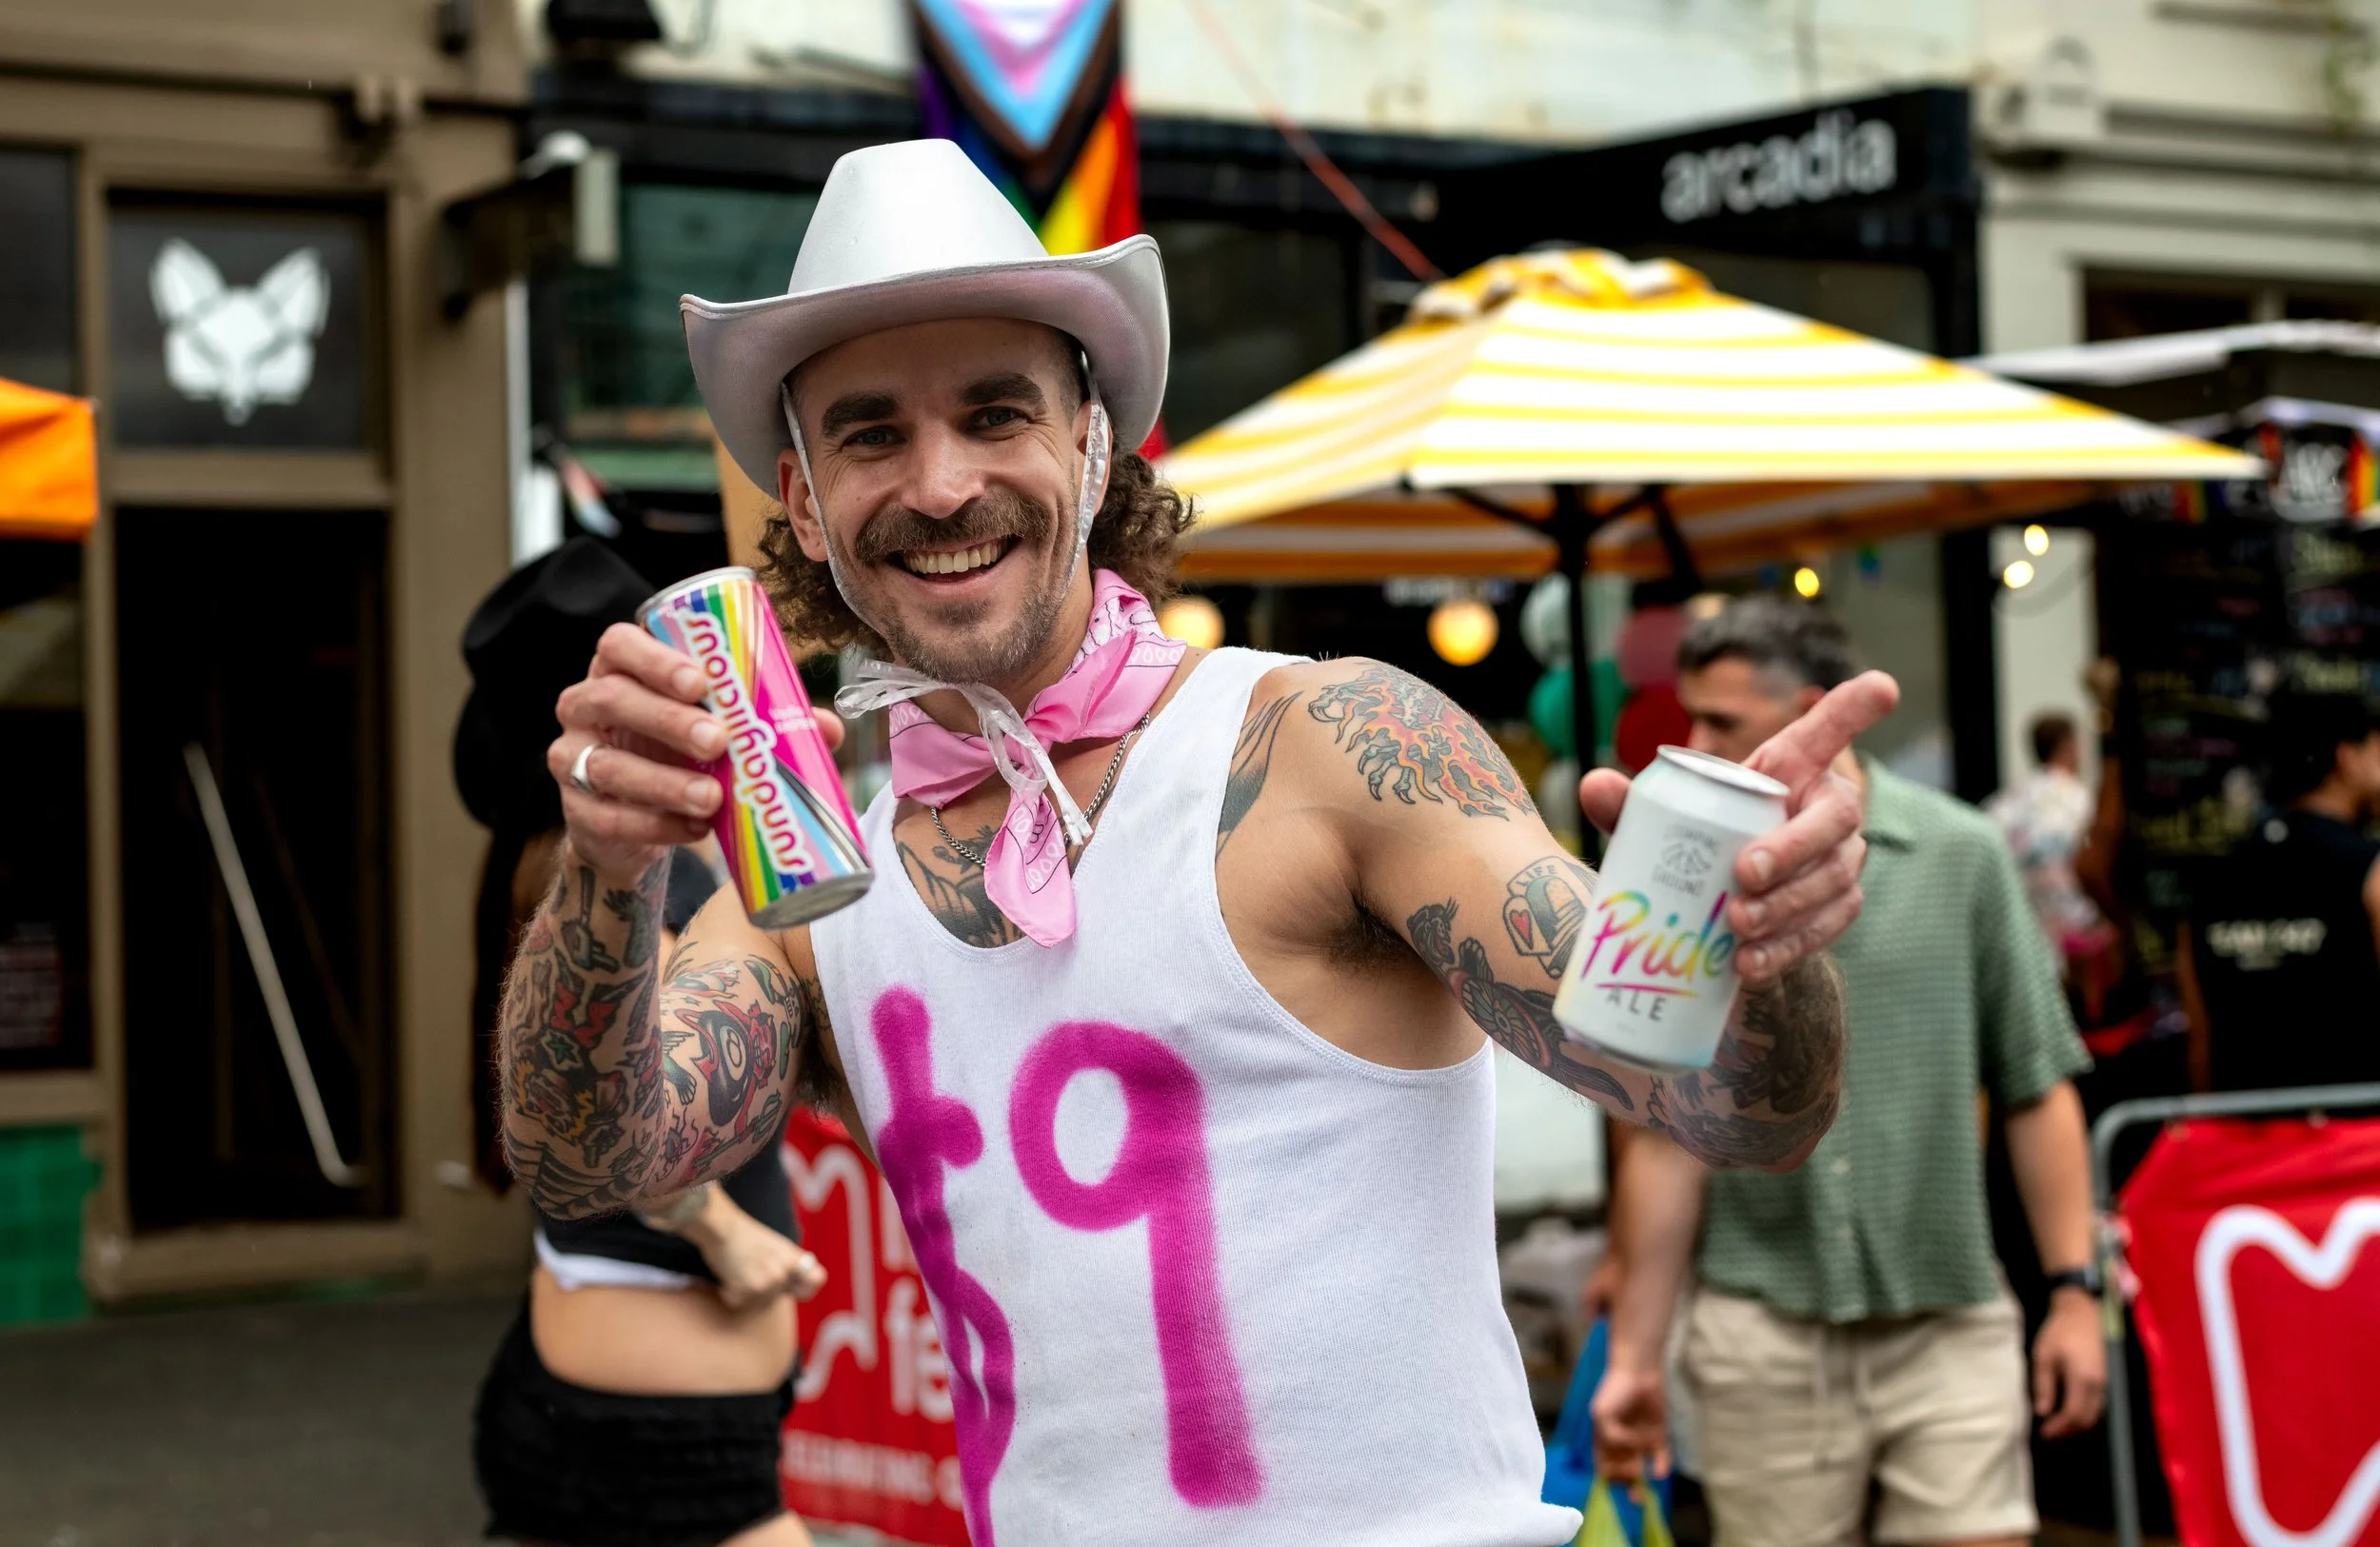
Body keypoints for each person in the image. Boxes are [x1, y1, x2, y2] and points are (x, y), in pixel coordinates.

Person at [497, 137, 1894, 1547]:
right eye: (869, 433)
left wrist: (1760, 944)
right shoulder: (814, 889)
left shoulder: (1328, 748)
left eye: (997, 413)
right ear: (801, 499)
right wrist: (604, 874)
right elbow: (586, 1162)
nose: (937, 483)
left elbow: (1741, 1108)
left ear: (1095, 445)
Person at [1593, 596, 2104, 1547]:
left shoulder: (1962, 853)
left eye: (1724, 720)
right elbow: (1670, 1135)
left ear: (1812, 712)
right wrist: (1634, 1349)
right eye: (1691, 714)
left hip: (1948, 1316)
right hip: (1762, 1330)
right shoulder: (1681, 874)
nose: (1696, 739)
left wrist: (2073, 1291)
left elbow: (2036, 1082)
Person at [457, 541, 826, 1547]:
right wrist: (726, 1234)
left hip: (607, 1393)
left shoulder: (554, 865)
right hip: (663, 1432)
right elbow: (610, 1101)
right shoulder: (620, 885)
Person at [2178, 691, 2380, 1094]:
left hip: (2243, 1140)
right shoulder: (2370, 870)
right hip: (2354, 1140)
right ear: (2348, 757)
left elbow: (2200, 1045)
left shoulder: (2211, 877)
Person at [1988, 710, 2112, 970]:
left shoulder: (2003, 805)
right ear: (2069, 746)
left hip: (2025, 943)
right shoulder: (2084, 802)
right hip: (2080, 944)